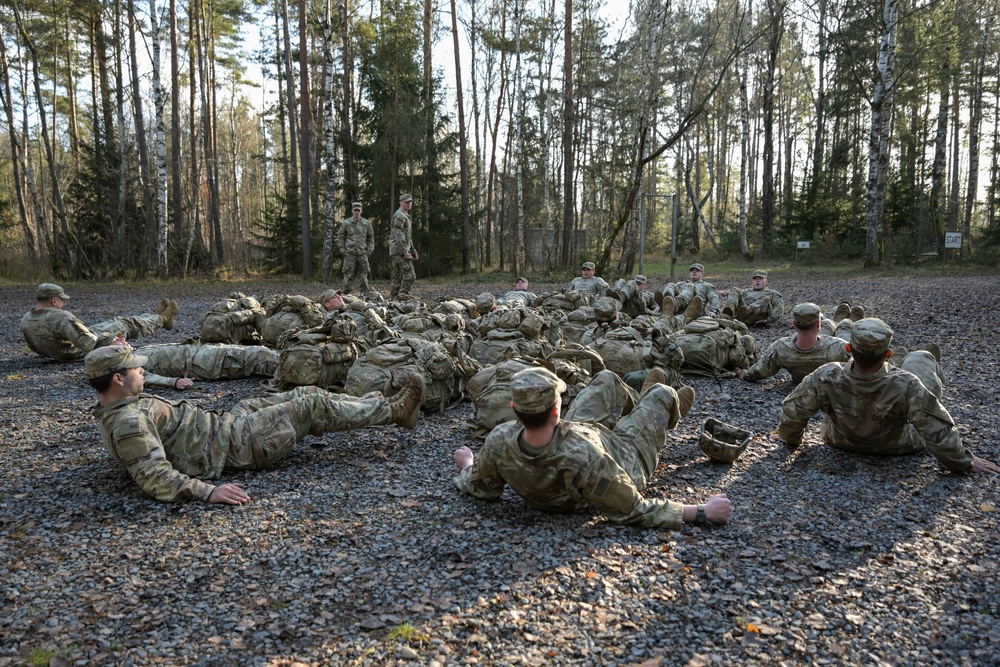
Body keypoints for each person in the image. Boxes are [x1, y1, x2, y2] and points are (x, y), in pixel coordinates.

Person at [86, 345, 427, 504]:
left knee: (305, 392)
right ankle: (394, 411)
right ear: (118, 378)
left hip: (226, 426)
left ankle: (380, 404)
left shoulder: (121, 404)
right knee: (312, 405)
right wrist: (208, 492)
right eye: (136, 369)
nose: (143, 371)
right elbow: (153, 475)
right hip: (237, 445)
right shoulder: (129, 423)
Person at [452, 366, 733, 529]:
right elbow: (635, 508)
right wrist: (702, 511)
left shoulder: (499, 439)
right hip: (624, 455)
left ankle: (638, 402)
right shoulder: (586, 460)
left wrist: (468, 463)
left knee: (607, 379)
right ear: (556, 409)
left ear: (515, 408)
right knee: (665, 393)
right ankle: (661, 409)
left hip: (579, 433)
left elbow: (480, 485)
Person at [776, 318, 998, 475]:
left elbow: (794, 411)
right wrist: (964, 462)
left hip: (840, 440)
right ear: (887, 354)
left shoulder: (825, 375)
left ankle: (911, 359)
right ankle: (921, 359)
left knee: (914, 375)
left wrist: (790, 439)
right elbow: (936, 429)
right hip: (898, 446)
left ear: (848, 348)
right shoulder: (908, 385)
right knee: (922, 358)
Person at [21, 283, 177, 362]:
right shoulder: (62, 318)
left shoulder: (27, 318)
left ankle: (154, 317)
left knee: (112, 323)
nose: (63, 303)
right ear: (54, 301)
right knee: (124, 324)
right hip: (78, 350)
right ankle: (162, 319)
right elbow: (90, 343)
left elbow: (34, 347)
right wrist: (112, 343)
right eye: (62, 300)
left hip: (63, 350)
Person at [739, 303, 850, 384]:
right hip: (829, 350)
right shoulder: (839, 347)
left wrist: (744, 373)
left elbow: (758, 371)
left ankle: (835, 321)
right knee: (844, 326)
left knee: (827, 325)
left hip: (799, 380)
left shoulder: (781, 348)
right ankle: (843, 321)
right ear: (817, 324)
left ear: (794, 324)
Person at [337, 201, 375, 295]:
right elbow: (340, 237)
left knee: (363, 276)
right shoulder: (346, 223)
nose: (357, 212)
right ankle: (347, 296)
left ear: (361, 211)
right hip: (349, 253)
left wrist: (368, 251)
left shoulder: (366, 224)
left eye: (358, 210)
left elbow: (371, 238)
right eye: (355, 210)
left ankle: (364, 295)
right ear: (352, 211)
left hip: (362, 253)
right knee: (348, 275)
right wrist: (342, 250)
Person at [389, 193, 418, 298]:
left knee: (397, 277)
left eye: (410, 202)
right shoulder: (400, 215)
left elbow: (407, 236)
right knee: (410, 276)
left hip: (398, 251)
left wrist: (413, 249)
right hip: (400, 251)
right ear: (401, 202)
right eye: (406, 202)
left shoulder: (404, 215)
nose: (409, 204)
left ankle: (393, 301)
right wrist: (405, 251)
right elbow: (398, 235)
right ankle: (402, 298)